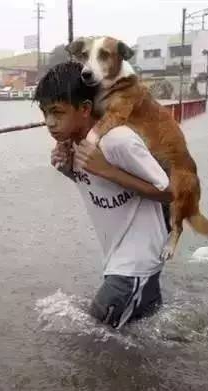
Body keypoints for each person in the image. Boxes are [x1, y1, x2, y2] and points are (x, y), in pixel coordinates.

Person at [34, 62, 173, 329]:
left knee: (94, 345)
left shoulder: (117, 140)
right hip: (124, 262)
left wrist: (107, 169)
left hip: (134, 265)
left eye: (57, 112)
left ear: (85, 108)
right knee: (140, 340)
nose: (49, 123)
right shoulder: (75, 144)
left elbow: (170, 192)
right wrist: (68, 171)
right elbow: (102, 189)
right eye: (45, 113)